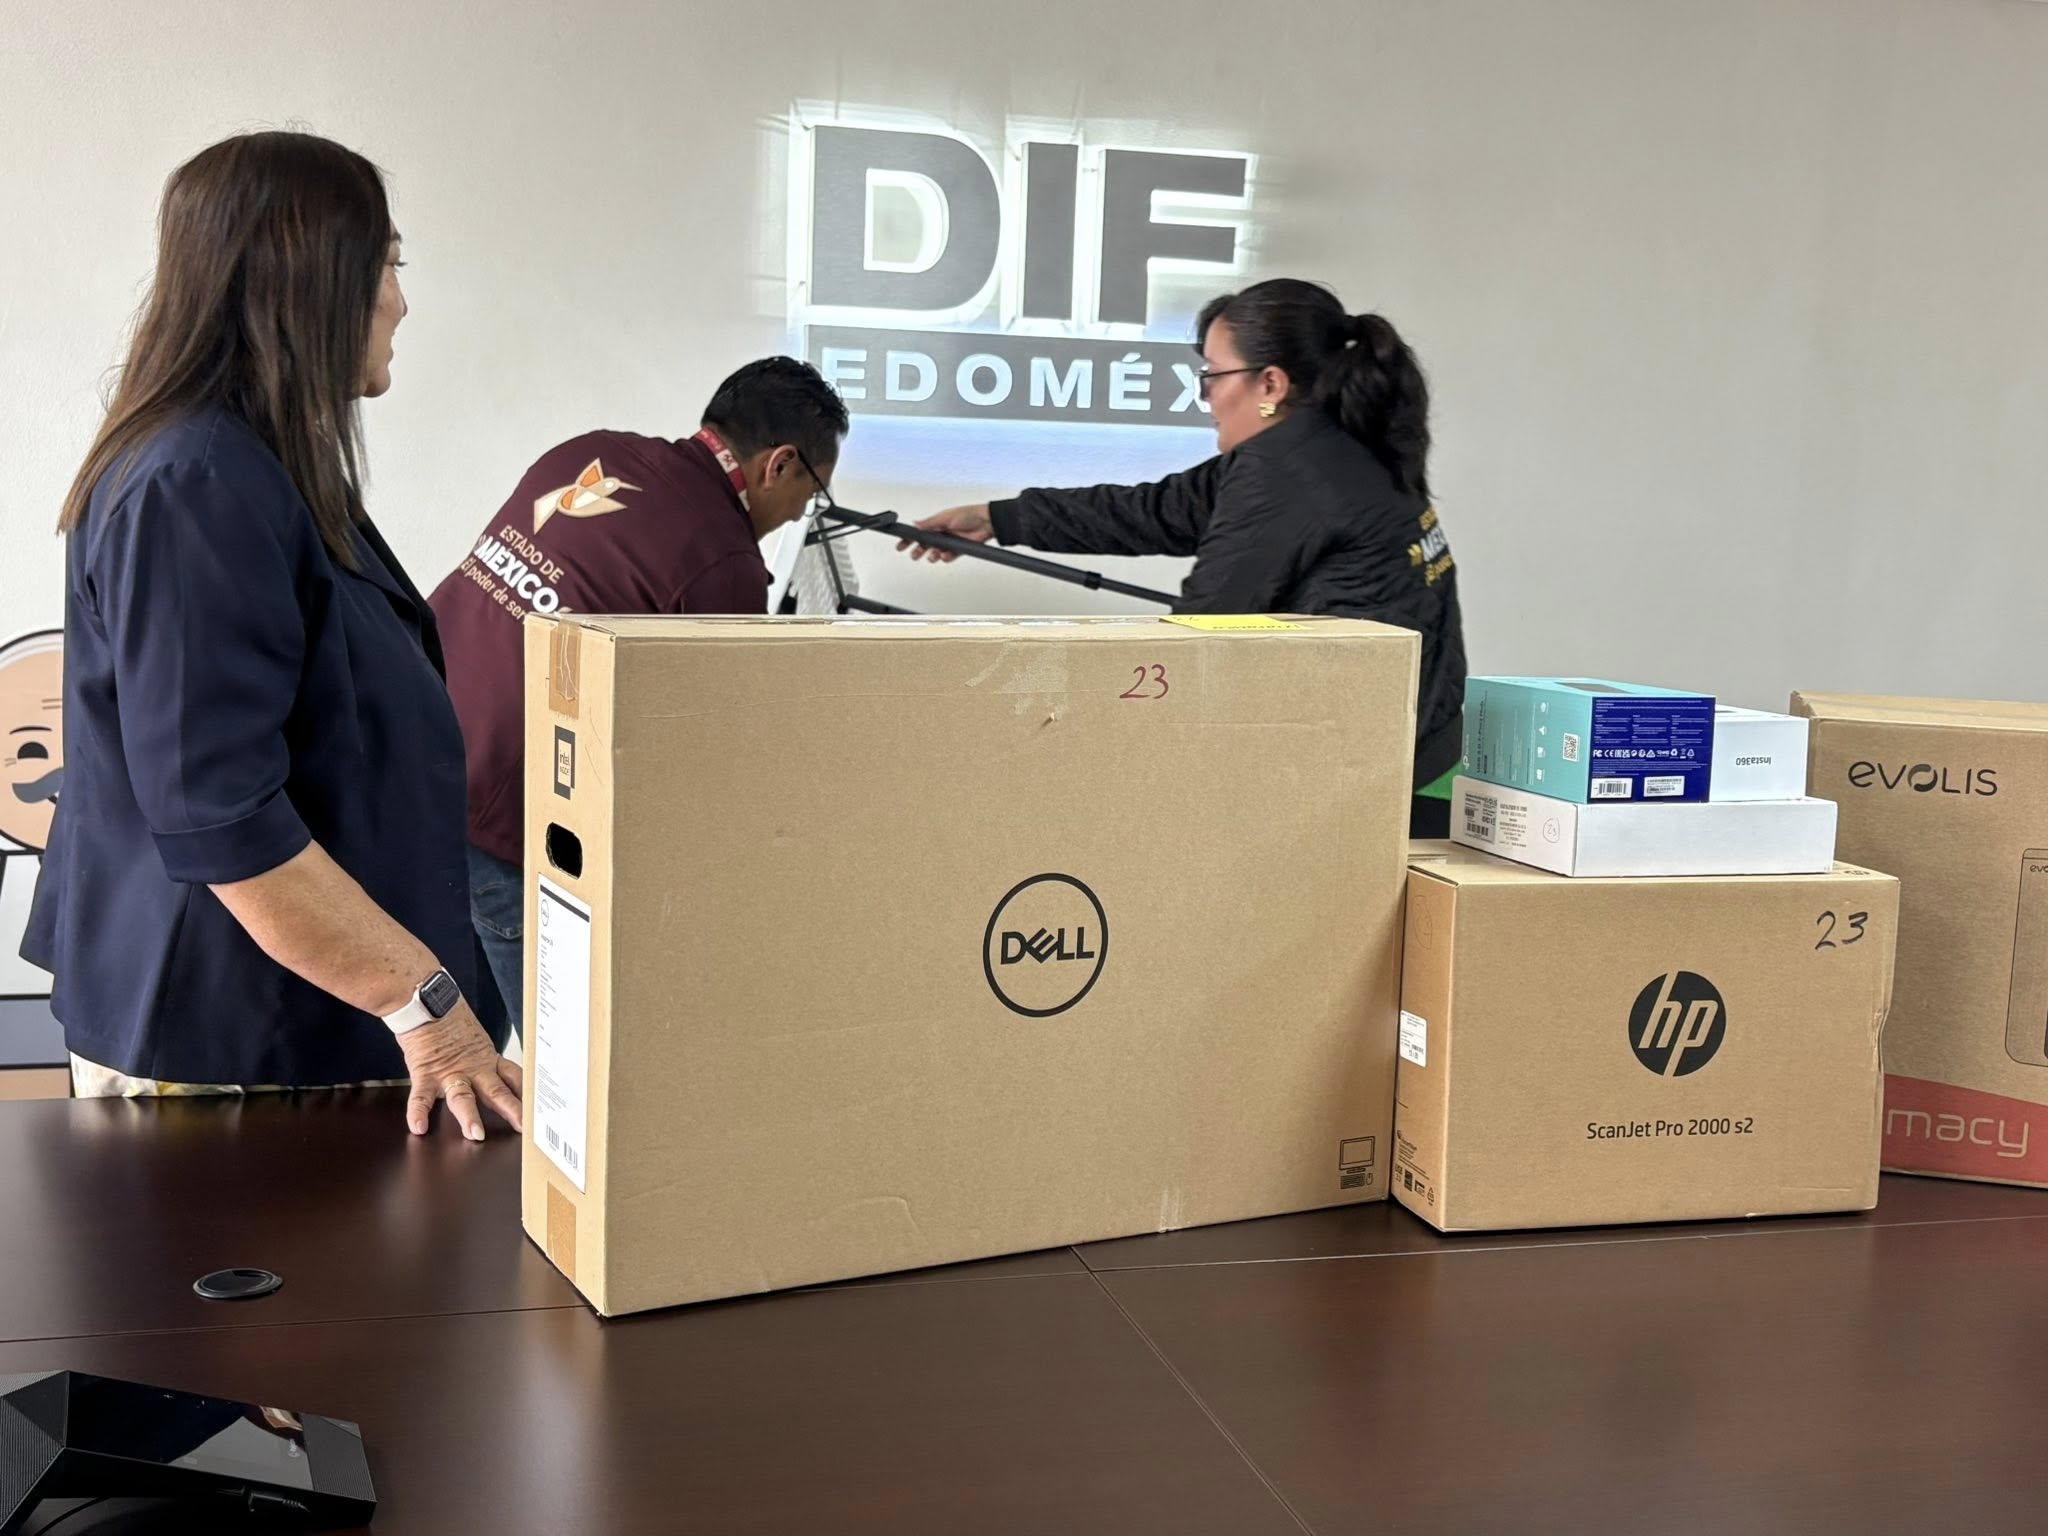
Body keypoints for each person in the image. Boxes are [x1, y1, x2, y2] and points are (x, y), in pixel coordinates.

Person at [23, 131, 521, 1140]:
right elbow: (221, 816)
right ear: (309, 277)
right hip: (226, 1051)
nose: (401, 302)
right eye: (387, 266)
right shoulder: (196, 482)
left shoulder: (258, 466)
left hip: (288, 1030)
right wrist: (429, 1010)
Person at [904, 278, 1468, 836]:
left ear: (1270, 383)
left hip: (1379, 786)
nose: (1206, 399)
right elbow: (1153, 510)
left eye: (1212, 376)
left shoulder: (1284, 469)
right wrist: (997, 518)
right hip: (1419, 756)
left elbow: (1205, 629)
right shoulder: (1333, 442)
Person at [430, 358, 849, 1024]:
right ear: (781, 464)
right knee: (561, 1066)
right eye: (813, 492)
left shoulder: (590, 451)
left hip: (418, 759)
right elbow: (704, 760)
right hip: (506, 823)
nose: (802, 510)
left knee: (457, 1048)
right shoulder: (723, 562)